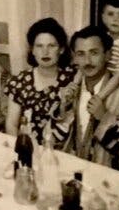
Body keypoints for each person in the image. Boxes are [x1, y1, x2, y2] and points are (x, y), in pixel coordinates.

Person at [60, 26, 119, 173]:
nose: (87, 61)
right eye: (81, 54)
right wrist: (63, 108)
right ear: (74, 58)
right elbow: (54, 142)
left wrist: (105, 119)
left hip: (110, 184)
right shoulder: (71, 91)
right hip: (72, 178)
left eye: (94, 53)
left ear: (107, 55)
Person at [5, 18, 77, 147]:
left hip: (65, 150)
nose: (45, 52)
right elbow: (11, 125)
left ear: (61, 49)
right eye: (39, 46)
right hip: (29, 149)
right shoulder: (19, 82)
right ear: (32, 50)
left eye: (51, 46)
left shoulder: (72, 78)